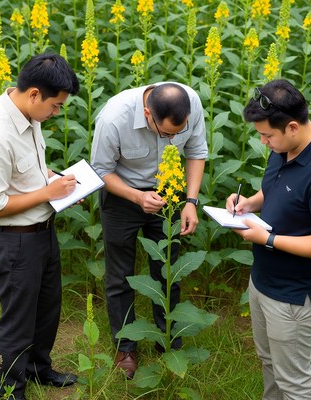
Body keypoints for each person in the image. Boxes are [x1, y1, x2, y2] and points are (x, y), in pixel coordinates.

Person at [226, 79, 311, 400]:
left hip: (294, 297)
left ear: (292, 127)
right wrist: (249, 203)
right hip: (263, 282)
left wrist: (268, 239)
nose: (263, 142)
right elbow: (274, 191)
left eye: (267, 136)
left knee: (293, 381)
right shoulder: (284, 148)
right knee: (269, 363)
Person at [0, 53, 80, 400]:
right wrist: (48, 192)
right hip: (14, 240)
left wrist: (58, 184)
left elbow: (28, 171)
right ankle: (10, 390)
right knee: (17, 320)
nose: (57, 113)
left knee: (47, 309)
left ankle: (37, 369)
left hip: (42, 232)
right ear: (34, 94)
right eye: (56, 106)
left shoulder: (27, 114)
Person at [91, 82, 208, 378]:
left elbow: (196, 152)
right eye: (166, 132)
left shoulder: (189, 103)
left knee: (168, 269)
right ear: (146, 113)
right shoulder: (114, 118)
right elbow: (101, 171)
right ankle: (125, 346)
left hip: (168, 193)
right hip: (122, 194)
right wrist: (137, 196)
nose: (172, 140)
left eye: (176, 133)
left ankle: (168, 338)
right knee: (120, 276)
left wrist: (190, 202)